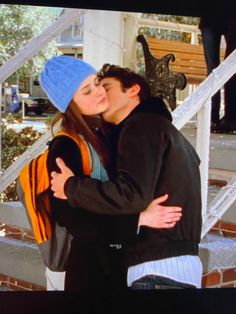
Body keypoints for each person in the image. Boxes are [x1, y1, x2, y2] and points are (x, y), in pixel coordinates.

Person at [50, 63, 203, 289]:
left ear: (133, 90)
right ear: (70, 104)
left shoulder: (137, 129)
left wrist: (73, 187)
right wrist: (136, 220)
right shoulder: (66, 145)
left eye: (101, 85)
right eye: (88, 90)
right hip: (98, 273)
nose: (99, 91)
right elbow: (74, 220)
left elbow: (132, 195)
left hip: (153, 267)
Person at [199, 13, 236, 133]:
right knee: (212, 69)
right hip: (210, 16)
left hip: (231, 15)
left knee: (231, 67)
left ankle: (230, 117)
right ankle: (212, 117)